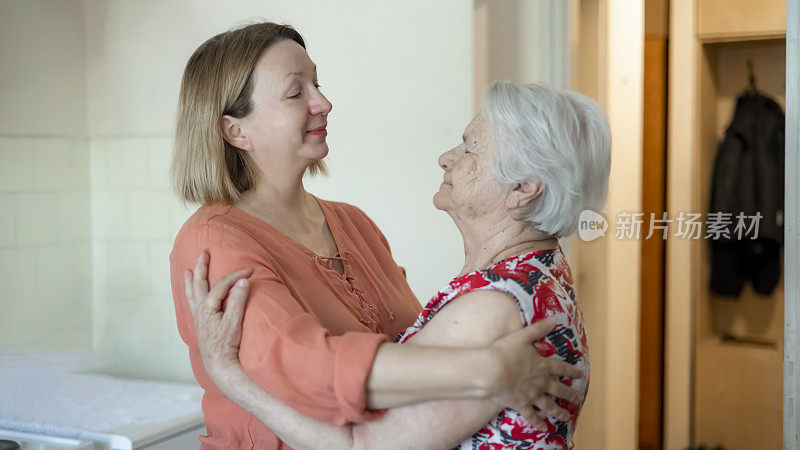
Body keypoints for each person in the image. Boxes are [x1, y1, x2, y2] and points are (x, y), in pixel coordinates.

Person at [169, 22, 585, 449]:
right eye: (297, 93)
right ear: (235, 131)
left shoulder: (354, 224)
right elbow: (306, 369)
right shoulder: (215, 241)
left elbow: (416, 357)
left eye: (318, 83)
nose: (324, 102)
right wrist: (488, 372)